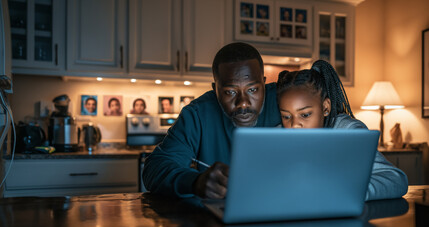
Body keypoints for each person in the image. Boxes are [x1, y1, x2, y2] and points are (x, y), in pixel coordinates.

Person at [143, 42, 281, 198]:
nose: (243, 102)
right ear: (215, 89)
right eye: (230, 92)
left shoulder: (286, 98)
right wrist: (195, 181)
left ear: (264, 82)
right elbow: (154, 168)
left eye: (252, 89)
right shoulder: (197, 114)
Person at [276, 60, 408, 201]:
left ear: (326, 107)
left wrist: (348, 192)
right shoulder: (275, 137)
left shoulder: (349, 132)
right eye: (286, 116)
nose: (294, 125)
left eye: (305, 114)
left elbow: (396, 180)